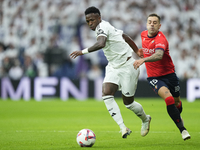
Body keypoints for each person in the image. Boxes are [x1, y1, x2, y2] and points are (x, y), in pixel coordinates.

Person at [70, 6, 151, 138]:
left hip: (128, 66)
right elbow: (124, 36)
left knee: (128, 103)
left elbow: (101, 43)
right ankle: (123, 128)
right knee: (106, 93)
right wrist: (136, 50)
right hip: (113, 66)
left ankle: (145, 119)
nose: (90, 23)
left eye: (92, 20)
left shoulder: (102, 27)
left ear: (99, 18)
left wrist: (82, 52)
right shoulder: (106, 27)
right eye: (88, 21)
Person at [133, 13, 191, 140]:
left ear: (159, 25)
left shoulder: (161, 39)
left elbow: (159, 55)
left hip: (170, 75)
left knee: (176, 103)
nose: (152, 24)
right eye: (149, 22)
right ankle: (183, 130)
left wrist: (144, 60)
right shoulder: (143, 34)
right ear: (146, 24)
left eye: (155, 22)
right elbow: (144, 48)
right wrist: (139, 52)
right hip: (154, 77)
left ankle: (177, 116)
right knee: (169, 99)